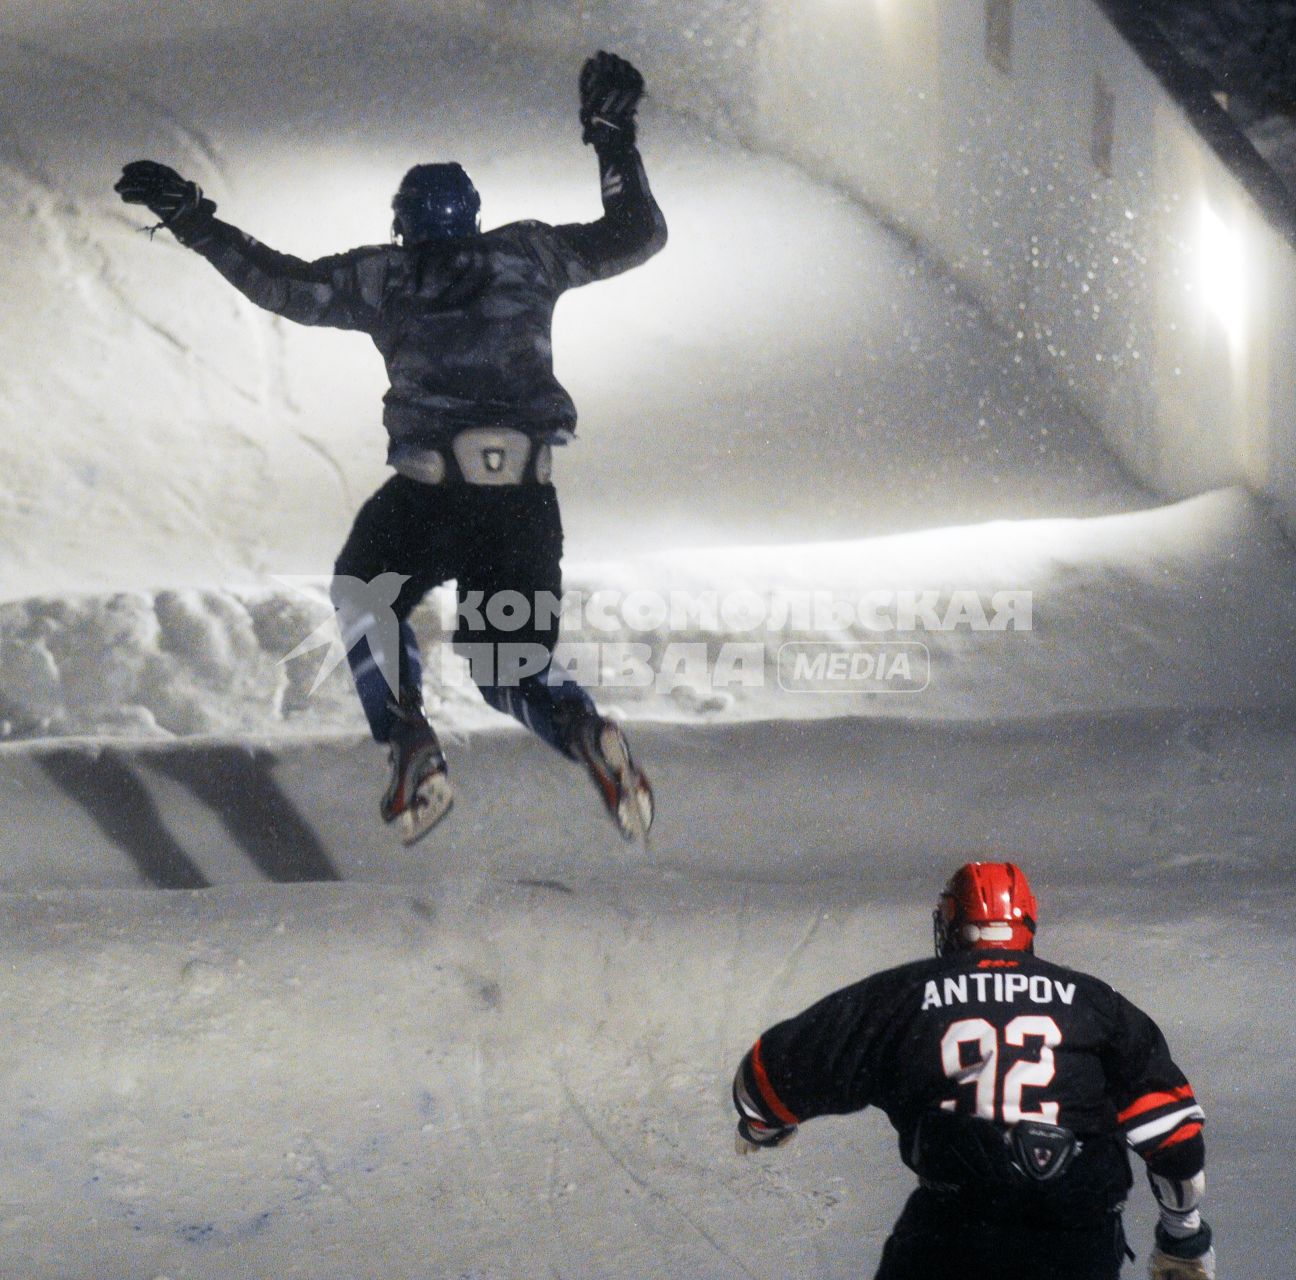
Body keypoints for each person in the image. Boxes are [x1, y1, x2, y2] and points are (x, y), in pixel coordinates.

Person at [114, 52, 665, 843]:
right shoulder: (530, 255)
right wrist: (613, 138)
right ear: (473, 218)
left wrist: (198, 221)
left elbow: (285, 287)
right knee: (508, 663)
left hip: (435, 491)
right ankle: (583, 731)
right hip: (525, 501)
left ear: (404, 223)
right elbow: (637, 232)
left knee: (367, 590)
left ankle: (410, 743)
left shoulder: (389, 276)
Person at [731, 862, 1215, 1280]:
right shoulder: (1095, 1004)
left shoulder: (904, 997)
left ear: (950, 922)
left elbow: (771, 1074)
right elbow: (1171, 1130)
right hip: (1074, 1236)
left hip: (954, 1234)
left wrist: (762, 1123)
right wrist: (1183, 1238)